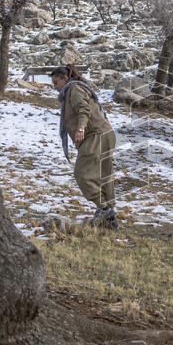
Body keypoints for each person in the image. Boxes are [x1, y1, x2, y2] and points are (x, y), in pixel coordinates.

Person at [51, 65, 118, 229]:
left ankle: (103, 208)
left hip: (95, 135)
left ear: (65, 78)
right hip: (105, 133)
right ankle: (109, 219)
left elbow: (83, 109)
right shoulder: (76, 88)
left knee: (82, 173)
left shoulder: (73, 89)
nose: (55, 87)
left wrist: (80, 128)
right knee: (104, 175)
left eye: (56, 82)